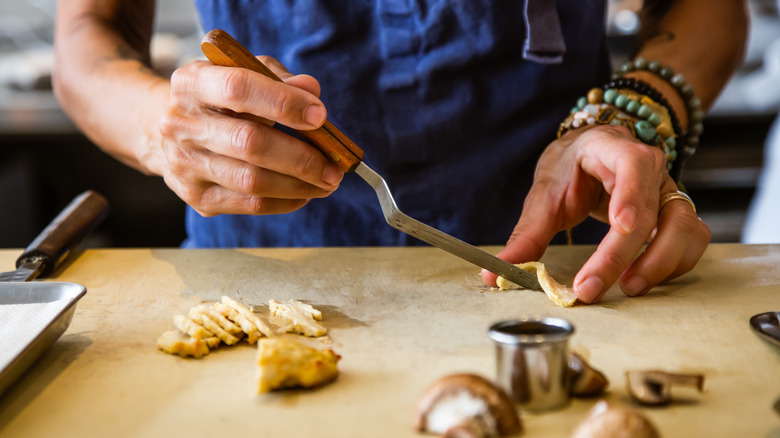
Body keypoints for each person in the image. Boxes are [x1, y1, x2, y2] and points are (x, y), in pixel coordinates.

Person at [52, 0, 746, 303]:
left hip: (571, 258)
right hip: (264, 274)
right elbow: (88, 32)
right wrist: (157, 123)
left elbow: (709, 6)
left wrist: (635, 111)